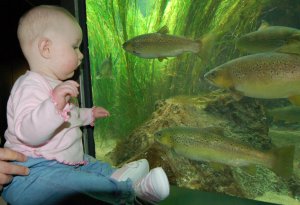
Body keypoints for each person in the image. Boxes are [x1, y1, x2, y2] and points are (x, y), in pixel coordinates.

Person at [2, 5, 169, 205]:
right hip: (32, 171)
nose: (80, 55)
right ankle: (131, 191)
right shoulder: (28, 86)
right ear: (46, 48)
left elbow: (70, 116)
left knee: (92, 166)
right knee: (77, 184)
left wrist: (88, 114)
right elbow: (28, 132)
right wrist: (53, 104)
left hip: (69, 161)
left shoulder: (59, 87)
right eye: (74, 47)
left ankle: (118, 175)